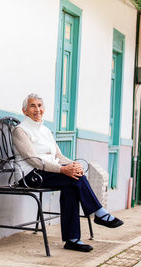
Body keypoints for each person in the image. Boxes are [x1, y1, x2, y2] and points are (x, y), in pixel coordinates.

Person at [12, 93, 123, 252]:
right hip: (30, 176)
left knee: (73, 179)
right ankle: (99, 214)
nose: (37, 109)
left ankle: (72, 239)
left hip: (47, 172)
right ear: (24, 111)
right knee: (73, 178)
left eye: (40, 105)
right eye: (32, 106)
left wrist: (73, 164)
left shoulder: (45, 130)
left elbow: (59, 156)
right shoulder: (20, 131)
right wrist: (63, 169)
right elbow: (33, 160)